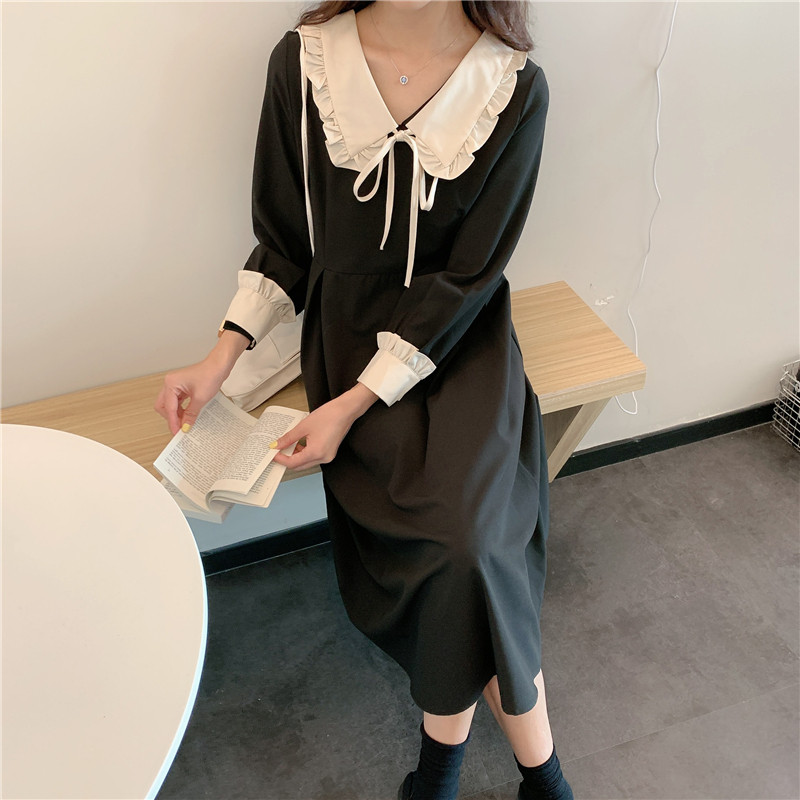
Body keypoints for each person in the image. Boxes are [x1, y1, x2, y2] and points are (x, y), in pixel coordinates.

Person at [155, 2, 573, 798]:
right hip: (348, 339)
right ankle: (539, 779)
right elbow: (285, 241)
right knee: (465, 558)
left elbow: (471, 275)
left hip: (460, 340)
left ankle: (452, 771)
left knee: (472, 550)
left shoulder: (514, 86)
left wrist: (350, 406)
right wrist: (219, 358)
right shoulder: (306, 62)